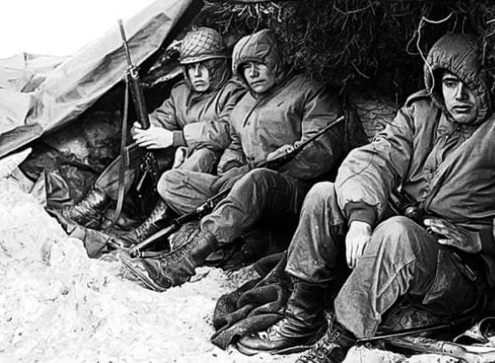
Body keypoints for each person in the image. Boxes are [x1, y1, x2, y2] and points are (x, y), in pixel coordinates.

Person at [235, 33, 495, 363]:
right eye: (450, 84)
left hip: (459, 271)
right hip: (407, 233)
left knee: (397, 231)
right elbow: (376, 158)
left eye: (472, 85)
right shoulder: (422, 113)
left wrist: (482, 238)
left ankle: (337, 341)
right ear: (437, 84)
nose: (460, 96)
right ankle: (302, 318)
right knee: (324, 195)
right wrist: (360, 217)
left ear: (489, 83)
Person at [120, 28, 348, 291]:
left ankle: (180, 265)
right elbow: (234, 142)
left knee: (257, 181)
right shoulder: (245, 102)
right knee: (172, 182)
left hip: (294, 192)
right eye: (246, 67)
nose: (253, 73)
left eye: (260, 63)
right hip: (245, 184)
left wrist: (263, 165)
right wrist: (230, 168)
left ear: (277, 61)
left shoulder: (309, 91)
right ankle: (237, 237)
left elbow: (320, 152)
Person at [58, 27, 246, 235]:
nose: (197, 74)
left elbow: (226, 131)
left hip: (213, 167)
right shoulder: (181, 91)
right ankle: (93, 204)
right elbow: (164, 116)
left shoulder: (235, 91)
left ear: (219, 65)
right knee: (137, 149)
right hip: (181, 156)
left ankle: (153, 226)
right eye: (191, 67)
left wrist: (174, 138)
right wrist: (146, 129)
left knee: (203, 153)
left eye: (205, 65)